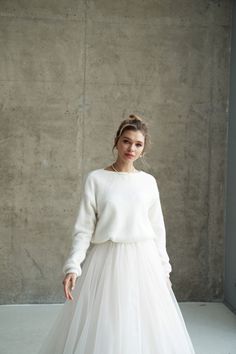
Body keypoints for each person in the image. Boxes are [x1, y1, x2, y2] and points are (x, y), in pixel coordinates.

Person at [38, 114, 196, 354]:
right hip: (107, 260)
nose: (131, 148)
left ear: (143, 150)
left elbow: (157, 230)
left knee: (145, 324)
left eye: (138, 144)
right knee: (107, 322)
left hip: (144, 262)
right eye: (126, 141)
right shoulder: (97, 179)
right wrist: (73, 266)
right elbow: (84, 228)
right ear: (117, 142)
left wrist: (164, 269)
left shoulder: (148, 182)